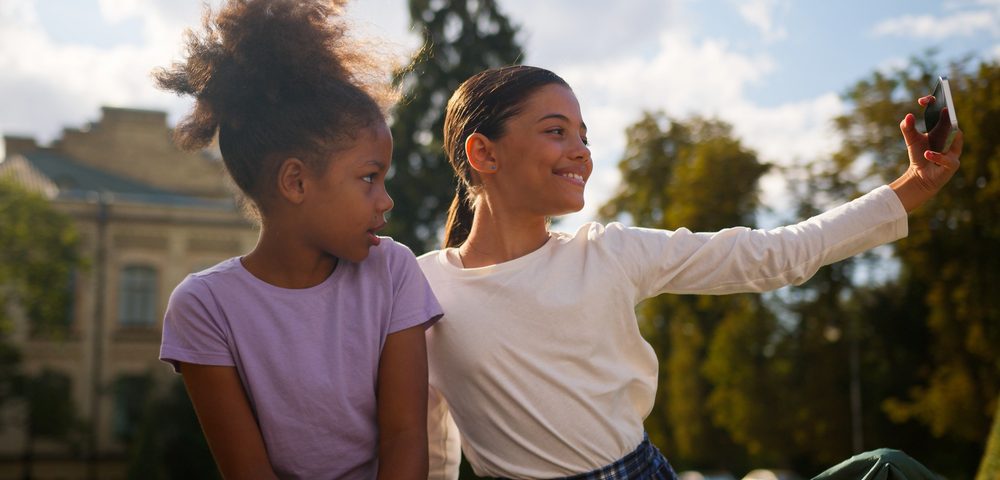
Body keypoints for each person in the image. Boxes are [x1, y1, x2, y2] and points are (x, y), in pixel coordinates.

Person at [420, 65, 963, 479]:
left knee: (885, 468)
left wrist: (915, 184)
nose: (581, 151)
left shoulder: (610, 251)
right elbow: (429, 445)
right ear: (484, 154)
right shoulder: (422, 289)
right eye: (557, 131)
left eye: (584, 135)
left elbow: (775, 254)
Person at [155, 1, 442, 478]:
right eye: (369, 177)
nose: (386, 200)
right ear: (296, 182)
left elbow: (406, 437)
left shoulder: (392, 271)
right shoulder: (203, 307)